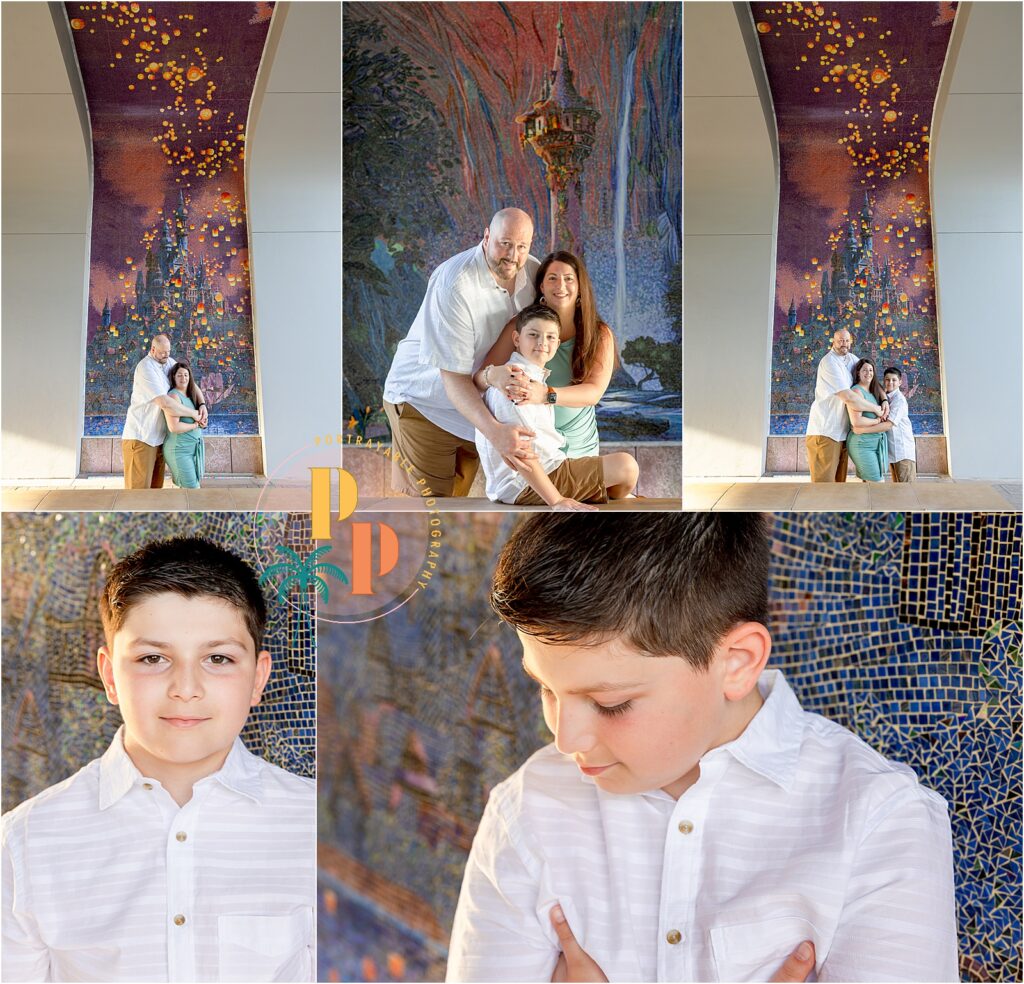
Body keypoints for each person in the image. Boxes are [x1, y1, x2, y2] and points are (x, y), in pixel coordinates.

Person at [447, 514, 958, 982]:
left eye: (610, 703)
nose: (566, 739)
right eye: (546, 688)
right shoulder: (526, 811)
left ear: (736, 662)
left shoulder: (879, 824)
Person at [2, 537, 315, 982]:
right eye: (153, 658)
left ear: (257, 678)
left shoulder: (314, 831)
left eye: (218, 658)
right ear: (110, 676)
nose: (185, 688)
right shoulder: (25, 844)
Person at [382, 208, 541, 497]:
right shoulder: (455, 283)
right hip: (424, 402)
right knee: (433, 510)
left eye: (521, 247)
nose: (512, 255)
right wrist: (495, 432)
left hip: (471, 406)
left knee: (457, 503)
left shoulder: (532, 271)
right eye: (504, 243)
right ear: (486, 236)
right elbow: (452, 379)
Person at [475, 305, 638, 510]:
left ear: (558, 343)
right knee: (627, 466)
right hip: (527, 483)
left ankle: (603, 495)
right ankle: (608, 496)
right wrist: (556, 500)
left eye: (551, 337)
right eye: (533, 335)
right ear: (517, 339)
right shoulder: (516, 382)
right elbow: (520, 451)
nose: (543, 343)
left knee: (619, 471)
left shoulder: (532, 377)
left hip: (542, 472)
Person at [473, 250, 616, 458]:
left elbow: (593, 393)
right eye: (552, 278)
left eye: (569, 279)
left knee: (625, 469)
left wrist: (544, 395)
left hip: (580, 448)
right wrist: (492, 375)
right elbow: (479, 379)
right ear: (541, 287)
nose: (561, 286)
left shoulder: (599, 334)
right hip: (533, 446)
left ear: (579, 288)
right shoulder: (520, 326)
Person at [122, 334, 207, 489]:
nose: (166, 355)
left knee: (155, 491)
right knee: (137, 493)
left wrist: (202, 405)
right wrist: (194, 414)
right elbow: (164, 402)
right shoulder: (145, 367)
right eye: (162, 353)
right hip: (142, 438)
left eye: (168, 352)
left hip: (160, 439)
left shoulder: (169, 362)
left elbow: (190, 383)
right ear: (153, 349)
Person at [804, 329, 889, 483]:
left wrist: (884, 400)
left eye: (847, 340)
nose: (844, 344)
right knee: (823, 486)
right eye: (840, 340)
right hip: (826, 431)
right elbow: (848, 397)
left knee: (838, 485)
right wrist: (876, 409)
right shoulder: (829, 362)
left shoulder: (852, 359)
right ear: (833, 342)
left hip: (843, 433)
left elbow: (871, 378)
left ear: (851, 342)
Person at [845, 358, 893, 483]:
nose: (868, 373)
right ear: (858, 373)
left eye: (871, 370)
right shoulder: (856, 391)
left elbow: (879, 388)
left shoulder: (874, 389)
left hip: (875, 443)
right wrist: (878, 421)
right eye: (864, 370)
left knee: (870, 486)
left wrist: (885, 401)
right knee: (877, 483)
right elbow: (857, 422)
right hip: (862, 444)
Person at [162, 362, 206, 489]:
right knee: (192, 488)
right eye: (179, 375)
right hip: (179, 451)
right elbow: (174, 427)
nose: (183, 378)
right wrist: (195, 425)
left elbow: (194, 418)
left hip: (191, 449)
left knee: (188, 492)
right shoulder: (174, 396)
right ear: (174, 377)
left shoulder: (191, 395)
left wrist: (202, 422)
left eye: (186, 375)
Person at [883, 367, 917, 482]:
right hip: (893, 451)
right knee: (898, 488)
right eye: (887, 380)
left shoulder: (899, 400)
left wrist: (862, 429)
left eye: (894, 380)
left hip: (903, 452)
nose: (890, 383)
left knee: (907, 490)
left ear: (900, 382)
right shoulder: (886, 397)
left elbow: (889, 424)